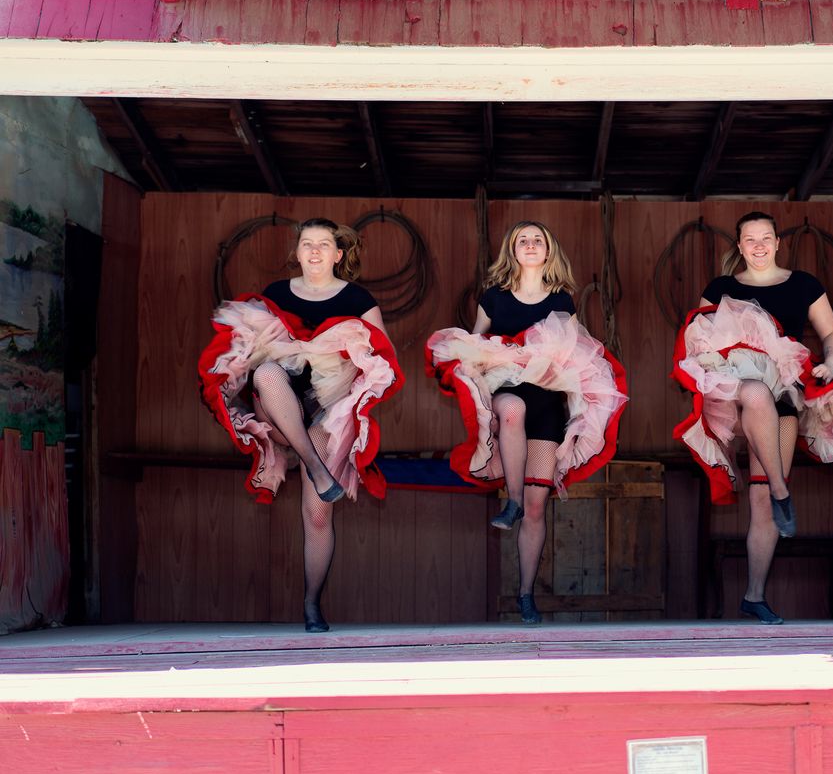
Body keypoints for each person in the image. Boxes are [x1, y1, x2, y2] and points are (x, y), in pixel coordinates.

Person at [674, 211, 833, 625]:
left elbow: (831, 334)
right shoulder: (721, 287)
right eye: (750, 239)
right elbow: (698, 337)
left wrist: (832, 364)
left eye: (766, 238)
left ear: (778, 242)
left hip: (784, 387)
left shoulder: (803, 284)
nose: (759, 246)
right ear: (739, 245)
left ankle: (754, 594)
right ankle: (785, 491)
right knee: (752, 391)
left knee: (761, 498)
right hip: (732, 391)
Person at [199, 218, 401, 633]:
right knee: (268, 373)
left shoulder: (357, 297)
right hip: (279, 399)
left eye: (323, 245)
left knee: (317, 515)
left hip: (328, 406)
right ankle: (311, 462)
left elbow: (384, 358)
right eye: (306, 244)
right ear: (298, 251)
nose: (314, 252)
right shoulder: (276, 293)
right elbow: (249, 349)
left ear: (338, 254)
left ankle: (311, 603)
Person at [427, 220, 627, 624]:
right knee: (513, 409)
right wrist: (500, 357)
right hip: (507, 390)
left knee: (539, 509)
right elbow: (472, 345)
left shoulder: (561, 300)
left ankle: (525, 594)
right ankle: (511, 499)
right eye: (523, 240)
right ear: (512, 251)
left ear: (549, 250)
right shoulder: (494, 298)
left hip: (548, 401)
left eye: (538, 240)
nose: (531, 245)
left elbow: (579, 354)